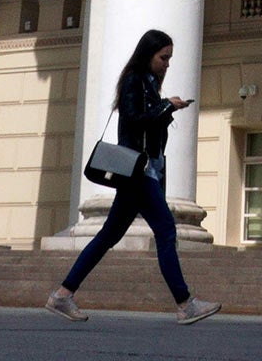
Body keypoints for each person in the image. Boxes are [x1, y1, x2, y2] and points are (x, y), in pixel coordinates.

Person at [48, 30, 220, 325]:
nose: (167, 64)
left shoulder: (148, 84)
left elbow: (148, 123)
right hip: (138, 172)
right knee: (165, 231)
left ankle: (63, 295)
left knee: (108, 236)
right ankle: (184, 303)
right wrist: (167, 105)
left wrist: (165, 106)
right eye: (163, 57)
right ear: (148, 55)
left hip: (147, 170)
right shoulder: (134, 81)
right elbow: (133, 119)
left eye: (169, 58)